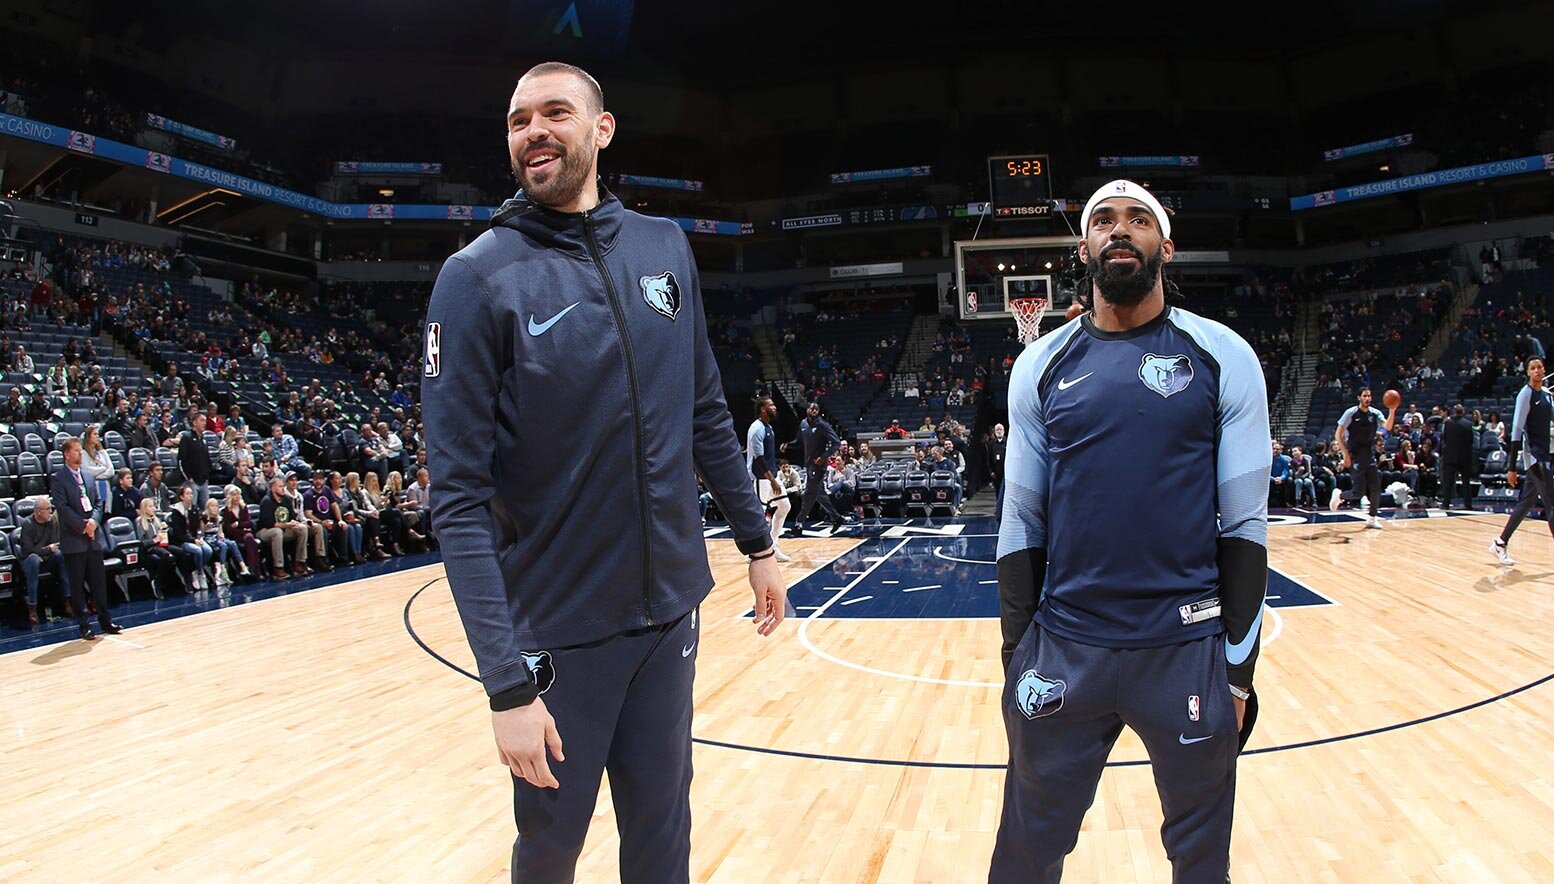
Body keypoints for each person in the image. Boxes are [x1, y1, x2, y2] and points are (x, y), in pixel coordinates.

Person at [421, 60, 786, 884]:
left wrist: (757, 546)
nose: (535, 132)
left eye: (555, 112)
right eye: (518, 120)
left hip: (669, 618)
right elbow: (458, 501)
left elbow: (703, 412)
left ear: (601, 129)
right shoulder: (476, 277)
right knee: (550, 855)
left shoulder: (664, 247)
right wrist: (506, 688)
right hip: (558, 634)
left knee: (664, 844)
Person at [991, 180, 1269, 881]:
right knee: (1025, 857)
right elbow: (1020, 521)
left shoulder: (1224, 355)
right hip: (1062, 650)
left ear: (1165, 247)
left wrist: (1236, 679)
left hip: (1185, 647)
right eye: (1104, 221)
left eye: (1139, 219)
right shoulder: (1040, 364)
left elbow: (1245, 526)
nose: (1121, 229)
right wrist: (1014, 654)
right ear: (1083, 247)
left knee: (1202, 862)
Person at [51, 436, 123, 640]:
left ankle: (105, 620)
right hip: (74, 540)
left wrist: (94, 522)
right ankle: (84, 625)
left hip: (93, 537)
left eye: (80, 451)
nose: (79, 454)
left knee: (99, 583)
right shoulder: (58, 478)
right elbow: (62, 508)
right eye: (75, 451)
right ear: (66, 454)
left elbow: (98, 502)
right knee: (77, 586)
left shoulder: (88, 475)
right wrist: (84, 526)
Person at [1490, 357, 1553, 566]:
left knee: (1526, 502)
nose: (1537, 371)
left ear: (1544, 370)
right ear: (1528, 372)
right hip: (1534, 456)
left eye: (1539, 367)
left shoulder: (1548, 396)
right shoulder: (1525, 395)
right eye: (1532, 368)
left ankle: (1500, 543)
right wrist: (1511, 468)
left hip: (1547, 454)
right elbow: (1516, 432)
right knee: (1551, 505)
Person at [1330, 388, 1399, 528]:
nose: (1367, 398)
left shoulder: (1375, 413)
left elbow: (1388, 426)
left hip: (1369, 454)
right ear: (1359, 397)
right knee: (1358, 492)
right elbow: (1338, 435)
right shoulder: (1350, 413)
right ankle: (1340, 496)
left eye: (1369, 396)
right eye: (1365, 396)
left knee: (1376, 488)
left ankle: (1372, 518)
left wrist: (1392, 410)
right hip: (1355, 455)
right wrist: (1345, 454)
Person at [783, 402, 845, 535]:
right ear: (807, 410)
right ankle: (837, 517)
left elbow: (836, 442)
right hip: (808, 464)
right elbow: (798, 442)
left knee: (809, 494)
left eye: (816, 408)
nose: (814, 410)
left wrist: (824, 456)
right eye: (812, 408)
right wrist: (788, 445)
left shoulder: (822, 425)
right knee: (819, 494)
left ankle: (798, 524)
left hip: (818, 465)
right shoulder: (803, 424)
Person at [746, 395, 791, 562]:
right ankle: (755, 552)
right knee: (759, 515)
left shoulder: (768, 427)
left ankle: (773, 545)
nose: (775, 407)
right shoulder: (756, 428)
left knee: (784, 506)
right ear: (763, 409)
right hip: (760, 477)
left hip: (771, 476)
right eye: (771, 405)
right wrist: (771, 480)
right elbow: (759, 458)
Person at [19, 495, 67, 626]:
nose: (51, 511)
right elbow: (28, 550)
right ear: (38, 511)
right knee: (34, 560)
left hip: (45, 559)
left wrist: (45, 551)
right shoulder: (27, 524)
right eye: (47, 509)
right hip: (29, 561)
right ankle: (32, 608)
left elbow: (55, 544)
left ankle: (68, 600)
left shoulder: (51, 522)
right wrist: (46, 550)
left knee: (60, 555)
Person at [168, 484, 216, 590]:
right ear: (181, 497)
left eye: (191, 493)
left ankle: (197, 570)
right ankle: (200, 573)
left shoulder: (194, 508)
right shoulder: (176, 512)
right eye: (188, 494)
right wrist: (193, 540)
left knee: (208, 550)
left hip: (195, 538)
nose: (191, 496)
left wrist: (198, 536)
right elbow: (179, 534)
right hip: (183, 541)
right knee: (198, 551)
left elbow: (197, 527)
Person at [258, 478, 307, 579]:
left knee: (302, 528)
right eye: (280, 486)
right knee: (277, 532)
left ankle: (299, 562)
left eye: (282, 486)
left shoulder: (286, 499)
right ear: (273, 489)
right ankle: (278, 568)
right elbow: (269, 524)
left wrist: (294, 523)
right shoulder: (266, 501)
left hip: (283, 529)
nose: (283, 489)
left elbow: (292, 516)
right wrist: (287, 525)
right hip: (264, 531)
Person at [132, 497, 180, 597]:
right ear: (144, 509)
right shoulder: (140, 522)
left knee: (180, 552)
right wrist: (153, 540)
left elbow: (167, 536)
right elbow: (141, 542)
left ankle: (183, 581)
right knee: (166, 555)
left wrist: (166, 528)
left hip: (162, 544)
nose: (154, 508)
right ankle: (157, 581)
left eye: (153, 506)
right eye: (150, 506)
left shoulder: (157, 520)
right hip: (150, 548)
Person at [1439, 404, 1476, 510]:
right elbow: (1471, 440)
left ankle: (1446, 503)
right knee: (1466, 482)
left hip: (1450, 456)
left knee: (1448, 482)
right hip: (1464, 456)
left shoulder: (1448, 423)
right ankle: (1467, 504)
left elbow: (1444, 439)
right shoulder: (1468, 424)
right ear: (1463, 412)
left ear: (1454, 412)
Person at [220, 486, 263, 578]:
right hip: (235, 537)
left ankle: (252, 569)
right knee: (250, 539)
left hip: (246, 535)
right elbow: (229, 529)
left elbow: (250, 524)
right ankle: (256, 570)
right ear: (229, 497)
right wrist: (244, 528)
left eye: (238, 494)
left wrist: (238, 524)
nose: (237, 497)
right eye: (234, 495)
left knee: (249, 538)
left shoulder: (244, 508)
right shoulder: (226, 511)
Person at [179, 413, 214, 511]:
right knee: (191, 509)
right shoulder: (186, 438)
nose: (204, 423)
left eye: (205, 421)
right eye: (202, 420)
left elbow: (206, 459)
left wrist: (207, 474)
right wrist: (188, 477)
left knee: (206, 510)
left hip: (204, 480)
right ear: (194, 422)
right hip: (192, 481)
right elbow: (181, 460)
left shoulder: (203, 439)